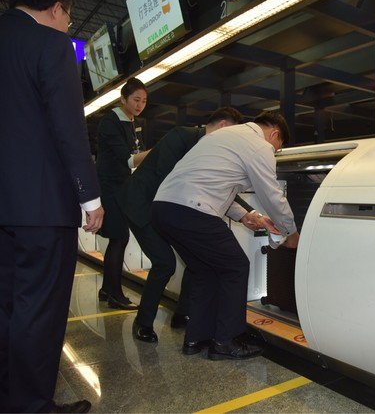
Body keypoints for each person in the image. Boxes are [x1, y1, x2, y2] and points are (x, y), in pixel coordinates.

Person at [0, 0, 104, 412]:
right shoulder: (50, 44)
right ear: (57, 8)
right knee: (37, 309)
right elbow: (68, 126)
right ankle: (29, 405)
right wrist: (90, 196)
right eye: (70, 17)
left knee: (5, 304)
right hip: (40, 205)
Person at [118, 107, 276, 342]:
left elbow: (215, 184)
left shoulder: (210, 147)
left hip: (168, 209)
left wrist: (246, 214)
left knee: (198, 260)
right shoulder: (181, 136)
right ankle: (143, 322)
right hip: (142, 205)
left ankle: (184, 315)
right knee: (165, 263)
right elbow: (173, 179)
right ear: (223, 126)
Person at [152, 111, 300, 360]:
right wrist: (291, 232)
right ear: (275, 134)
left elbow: (215, 182)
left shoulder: (224, 136)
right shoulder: (259, 145)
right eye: (277, 148)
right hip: (192, 211)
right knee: (236, 267)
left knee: (205, 271)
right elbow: (272, 194)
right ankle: (226, 341)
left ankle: (197, 338)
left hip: (163, 208)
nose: (273, 152)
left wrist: (246, 215)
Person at [95, 77, 150, 310]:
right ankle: (115, 294)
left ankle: (108, 289)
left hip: (121, 187)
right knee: (119, 238)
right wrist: (159, 151)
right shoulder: (111, 122)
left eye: (144, 101)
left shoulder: (132, 122)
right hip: (110, 187)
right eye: (136, 100)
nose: (140, 105)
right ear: (123, 99)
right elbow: (128, 159)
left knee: (119, 238)